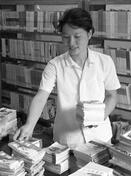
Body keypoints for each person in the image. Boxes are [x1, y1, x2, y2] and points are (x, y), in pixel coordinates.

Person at [14, 8, 121, 149]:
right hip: (67, 140)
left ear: (89, 34)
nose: (71, 43)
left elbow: (112, 96)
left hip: (99, 138)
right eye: (66, 37)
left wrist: (99, 117)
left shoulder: (105, 62)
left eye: (77, 37)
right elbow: (41, 97)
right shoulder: (55, 65)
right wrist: (29, 125)